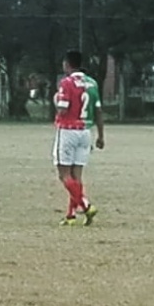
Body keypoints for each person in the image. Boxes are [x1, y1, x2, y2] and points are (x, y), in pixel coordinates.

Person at [53, 49, 101, 226]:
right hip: (86, 131)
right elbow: (98, 111)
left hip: (68, 130)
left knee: (64, 174)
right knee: (77, 176)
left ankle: (86, 205)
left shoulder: (66, 83)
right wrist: (101, 135)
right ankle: (71, 216)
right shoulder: (92, 83)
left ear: (67, 64)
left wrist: (56, 100)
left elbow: (63, 109)